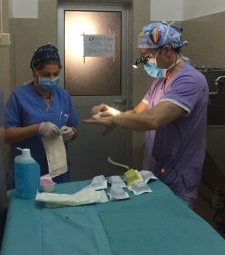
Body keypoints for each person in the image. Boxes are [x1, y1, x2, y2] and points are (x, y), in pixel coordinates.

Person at [84, 22, 209, 207]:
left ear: (167, 50)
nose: (145, 62)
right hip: (156, 170)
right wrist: (112, 114)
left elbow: (153, 119)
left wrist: (115, 119)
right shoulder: (160, 81)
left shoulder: (190, 81)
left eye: (147, 56)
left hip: (179, 176)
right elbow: (138, 112)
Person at [4, 44, 79, 186]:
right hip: (27, 173)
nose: (51, 78)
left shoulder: (63, 95)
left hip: (58, 173)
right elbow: (7, 135)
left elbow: (74, 127)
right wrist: (38, 128)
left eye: (55, 74)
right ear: (34, 71)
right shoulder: (19, 96)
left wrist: (72, 133)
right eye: (45, 75)